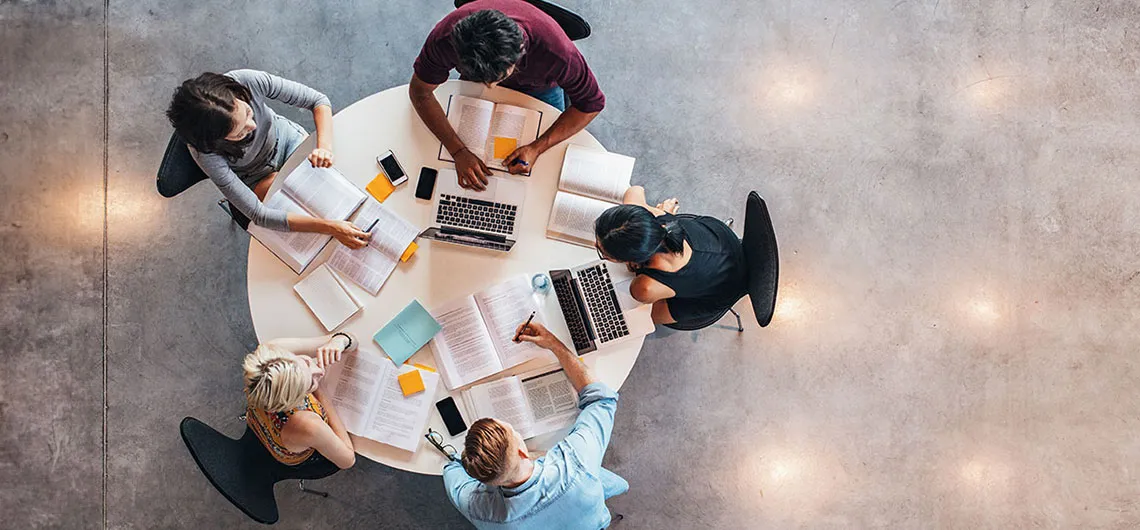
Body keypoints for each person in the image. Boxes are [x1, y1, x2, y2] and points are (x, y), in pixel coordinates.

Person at [443, 322, 628, 529]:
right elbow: (601, 399)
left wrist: (461, 461)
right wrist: (554, 344)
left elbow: (452, 473)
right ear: (523, 452)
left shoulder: (480, 510)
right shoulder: (576, 463)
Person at [410, 0, 607, 190]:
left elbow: (591, 104)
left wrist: (537, 147)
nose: (491, 88)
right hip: (479, 78)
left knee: (546, 168)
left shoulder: (558, 54)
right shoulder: (445, 38)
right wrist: (458, 150)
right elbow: (420, 92)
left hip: (541, 87)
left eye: (497, 78)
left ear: (521, 51)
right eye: (484, 80)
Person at [166, 69, 370, 249]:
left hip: (288, 142)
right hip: (255, 177)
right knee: (308, 211)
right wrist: (329, 228)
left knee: (341, 179)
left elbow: (318, 101)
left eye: (248, 112)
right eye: (240, 133)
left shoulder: (245, 81)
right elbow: (259, 215)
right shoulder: (205, 153)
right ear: (216, 141)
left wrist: (324, 147)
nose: (253, 126)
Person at [594, 186, 749, 326]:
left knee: (638, 319)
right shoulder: (658, 219)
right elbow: (635, 191)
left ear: (630, 260)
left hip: (722, 292)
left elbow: (643, 295)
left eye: (602, 253)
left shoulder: (643, 288)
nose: (595, 246)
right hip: (723, 241)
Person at [242, 333, 358, 470]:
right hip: (296, 455)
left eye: (306, 362)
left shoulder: (273, 351)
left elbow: (349, 339)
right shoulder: (308, 424)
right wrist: (322, 393)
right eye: (310, 384)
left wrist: (339, 341)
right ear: (295, 401)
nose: (319, 371)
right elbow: (348, 460)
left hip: (260, 420)